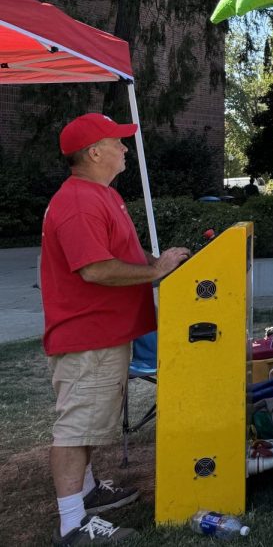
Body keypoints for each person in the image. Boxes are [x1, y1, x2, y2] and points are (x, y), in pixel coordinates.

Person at [40, 113, 190, 544]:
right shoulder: (80, 202)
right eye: (118, 142)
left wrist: (159, 263)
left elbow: (120, 251)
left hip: (104, 333)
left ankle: (86, 494)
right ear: (94, 153)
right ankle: (73, 525)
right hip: (89, 334)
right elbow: (96, 269)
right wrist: (156, 271)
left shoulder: (100, 195)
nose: (126, 149)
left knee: (87, 423)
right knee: (75, 427)